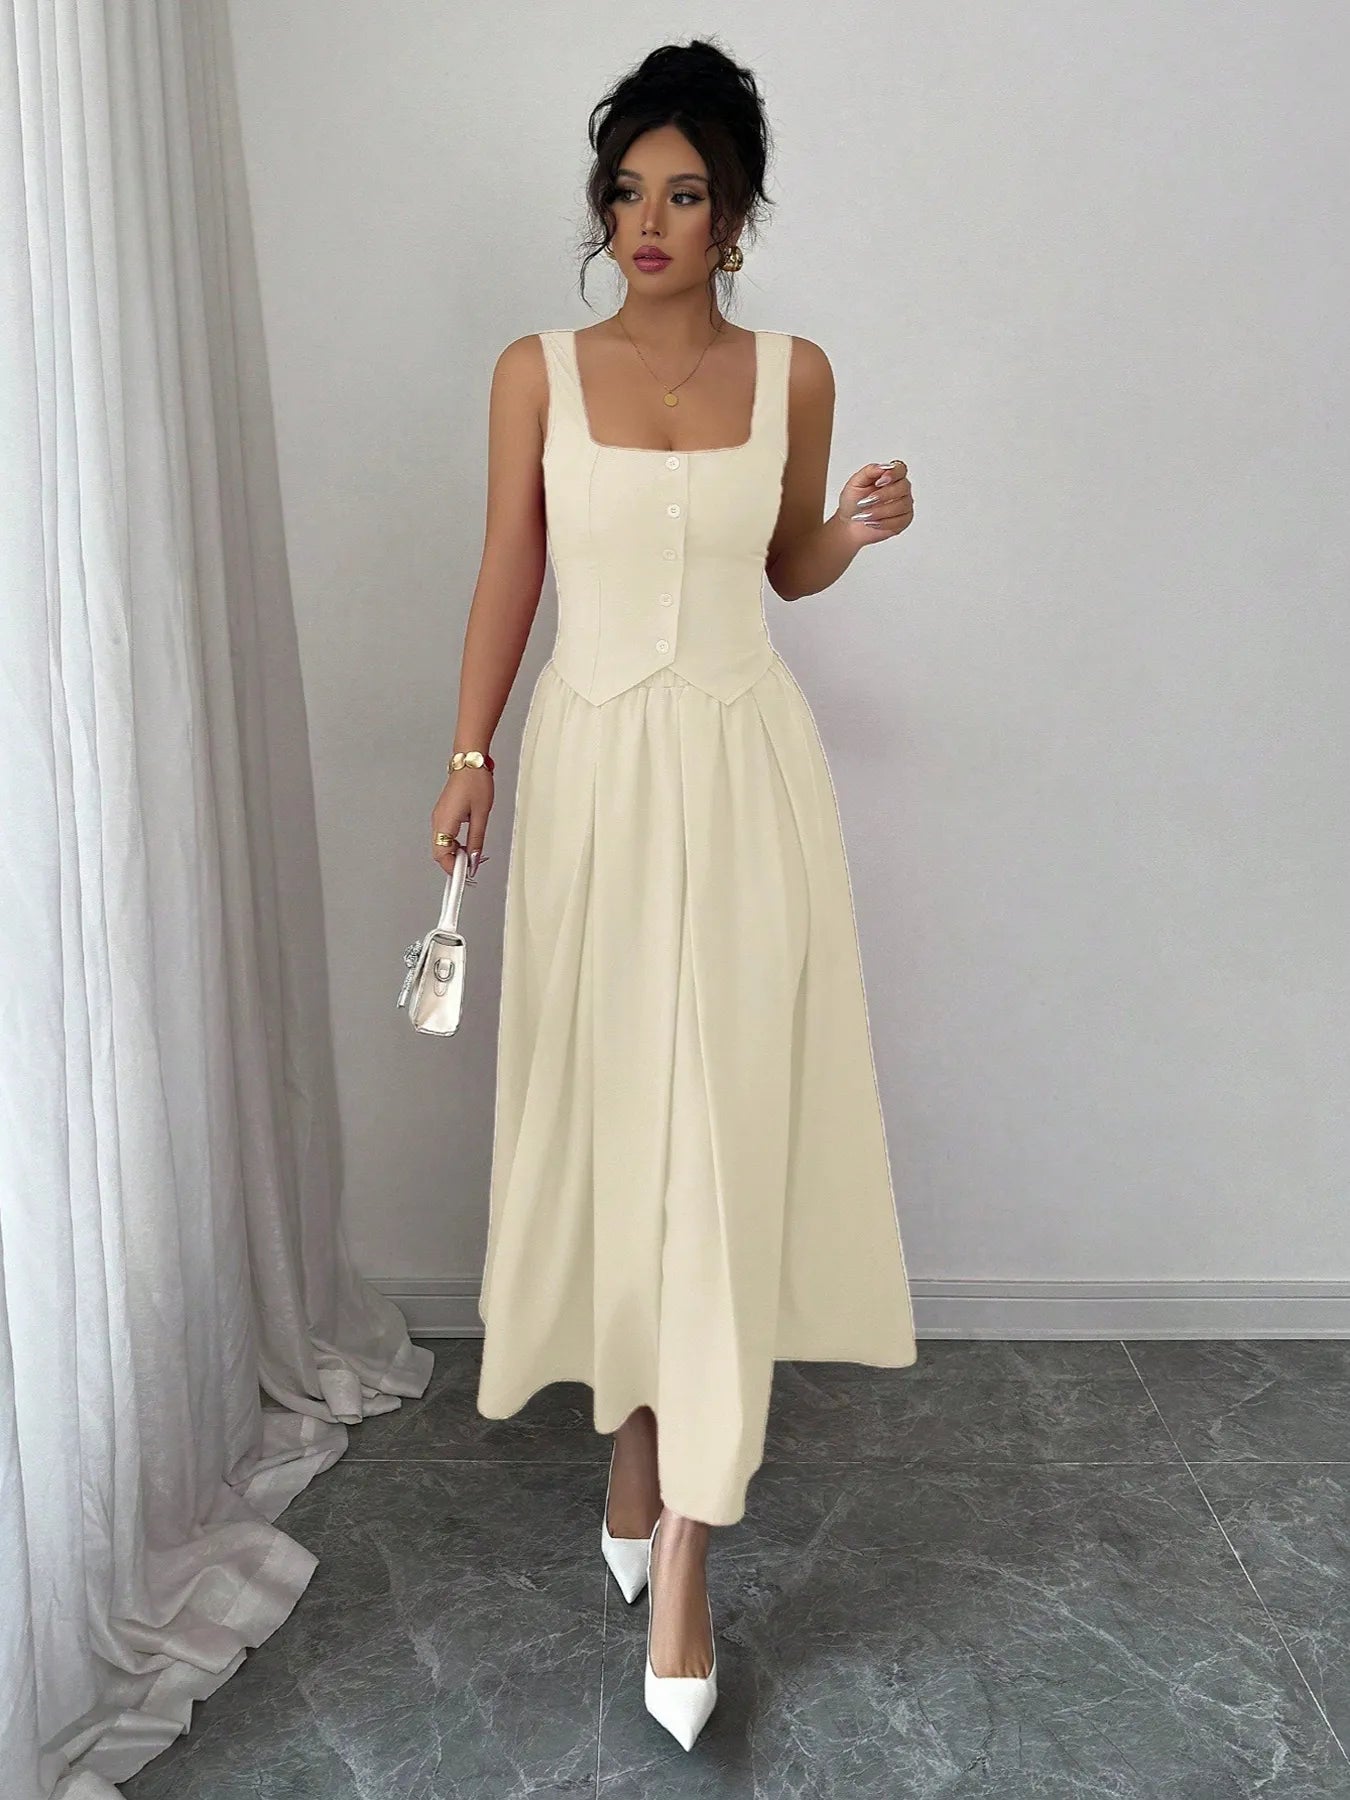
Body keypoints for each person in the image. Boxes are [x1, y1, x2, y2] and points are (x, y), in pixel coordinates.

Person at [431, 37, 918, 1751]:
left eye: (685, 193)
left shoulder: (793, 373)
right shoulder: (535, 374)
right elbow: (511, 564)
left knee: (722, 1131)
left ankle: (692, 1546)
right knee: (618, 1118)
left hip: (742, 774)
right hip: (588, 783)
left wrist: (852, 531)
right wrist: (470, 754)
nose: (648, 221)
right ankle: (633, 1440)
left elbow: (781, 566)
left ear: (735, 215)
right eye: (627, 191)